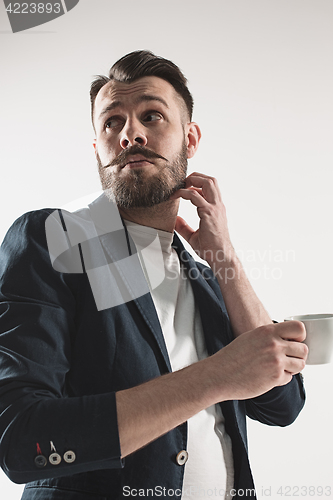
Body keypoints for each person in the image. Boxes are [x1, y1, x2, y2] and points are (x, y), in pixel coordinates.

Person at [0, 51, 307, 500]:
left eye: (152, 115)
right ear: (97, 149)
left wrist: (224, 258)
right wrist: (215, 376)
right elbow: (23, 442)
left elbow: (283, 404)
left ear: (190, 138)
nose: (131, 134)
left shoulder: (206, 277)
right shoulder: (56, 240)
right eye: (111, 123)